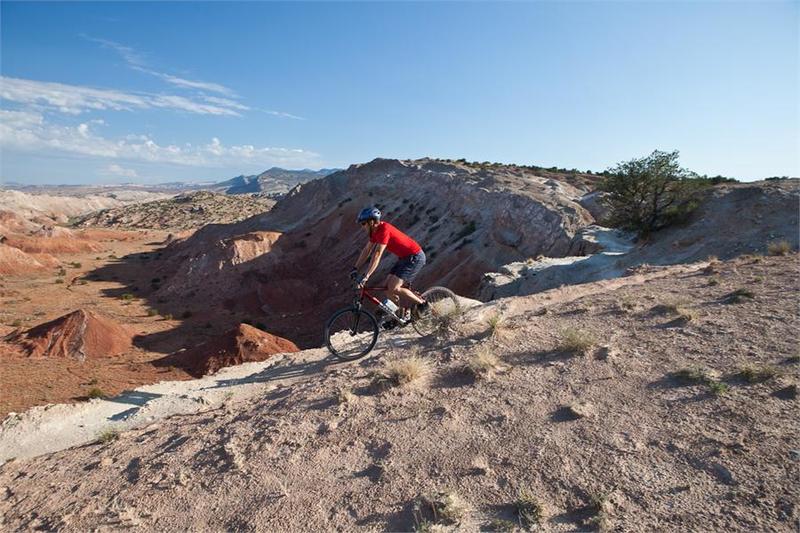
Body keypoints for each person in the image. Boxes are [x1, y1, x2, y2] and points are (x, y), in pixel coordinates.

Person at [351, 206, 428, 316]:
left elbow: (377, 254)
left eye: (363, 224)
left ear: (372, 222)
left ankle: (423, 304)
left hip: (415, 257)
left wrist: (366, 276)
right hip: (404, 258)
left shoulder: (384, 230)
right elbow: (367, 250)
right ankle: (401, 314)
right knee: (386, 287)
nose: (362, 227)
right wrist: (355, 268)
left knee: (394, 287)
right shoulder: (375, 232)